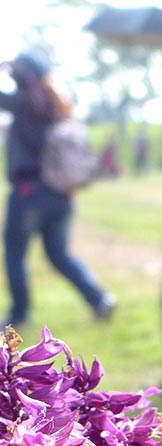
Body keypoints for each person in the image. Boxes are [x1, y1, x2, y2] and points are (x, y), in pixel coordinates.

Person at [0, 51, 115, 328]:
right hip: (61, 195)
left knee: (14, 254)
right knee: (59, 255)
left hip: (30, 193)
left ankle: (20, 313)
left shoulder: (26, 104)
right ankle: (98, 298)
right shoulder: (56, 105)